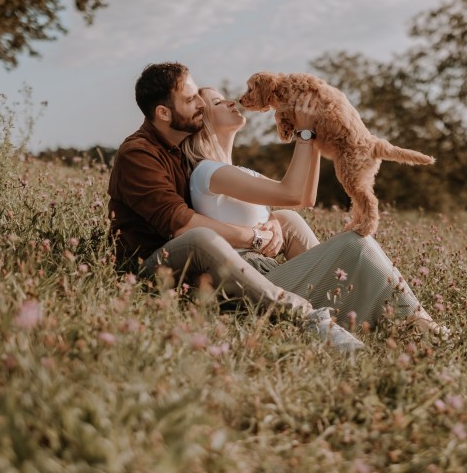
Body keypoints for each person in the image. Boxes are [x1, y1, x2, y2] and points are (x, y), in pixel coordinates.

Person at [108, 62, 364, 352]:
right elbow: (181, 223)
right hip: (151, 267)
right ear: (164, 113)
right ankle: (306, 315)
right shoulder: (139, 154)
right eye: (191, 100)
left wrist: (271, 224)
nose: (200, 106)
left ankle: (341, 298)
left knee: (285, 218)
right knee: (200, 238)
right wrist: (255, 236)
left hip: (195, 263)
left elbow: (297, 198)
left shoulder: (181, 152)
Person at [183, 85, 446, 336]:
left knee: (292, 218)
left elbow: (304, 198)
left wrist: (315, 134)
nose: (231, 101)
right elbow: (291, 192)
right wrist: (304, 133)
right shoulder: (208, 170)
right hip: (253, 284)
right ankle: (418, 323)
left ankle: (404, 321)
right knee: (356, 244)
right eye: (217, 103)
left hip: (269, 273)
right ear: (202, 121)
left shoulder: (239, 172)